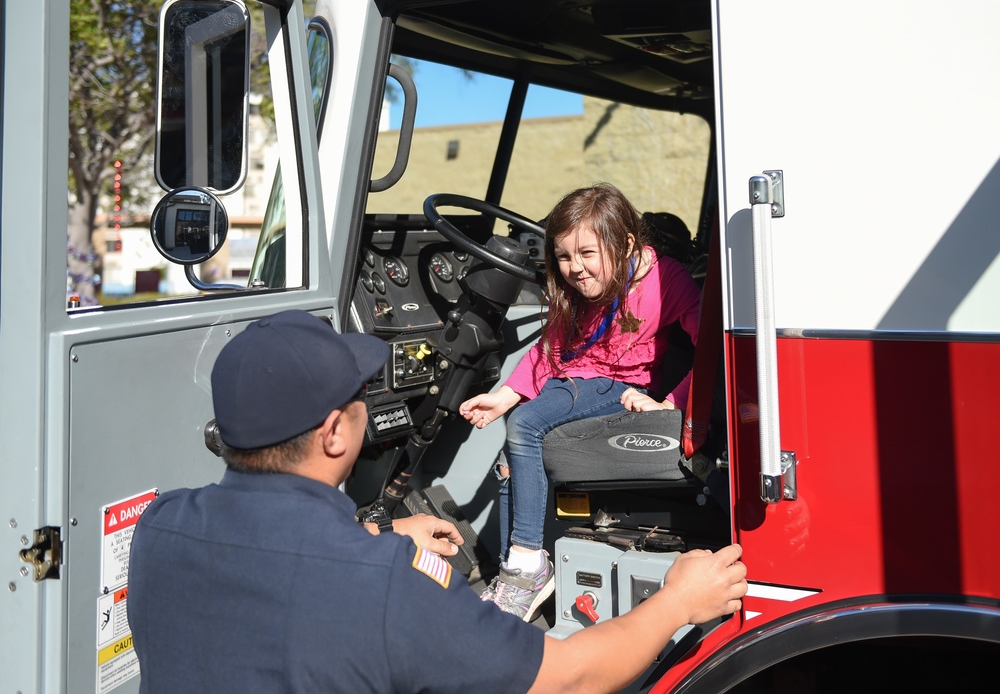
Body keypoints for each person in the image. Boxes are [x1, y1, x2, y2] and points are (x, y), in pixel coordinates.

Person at [127, 309, 746, 694]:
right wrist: (676, 602)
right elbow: (570, 678)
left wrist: (384, 536)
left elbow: (277, 564)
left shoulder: (159, 528)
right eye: (360, 394)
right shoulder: (389, 590)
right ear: (336, 433)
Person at [459, 183, 702, 620]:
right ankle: (514, 575)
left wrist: (672, 402)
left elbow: (714, 351)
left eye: (587, 254)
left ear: (626, 244)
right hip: (574, 381)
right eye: (565, 257)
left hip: (617, 385)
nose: (575, 268)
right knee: (509, 459)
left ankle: (529, 564)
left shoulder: (666, 281)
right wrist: (503, 396)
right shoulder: (575, 290)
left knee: (526, 425)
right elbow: (549, 351)